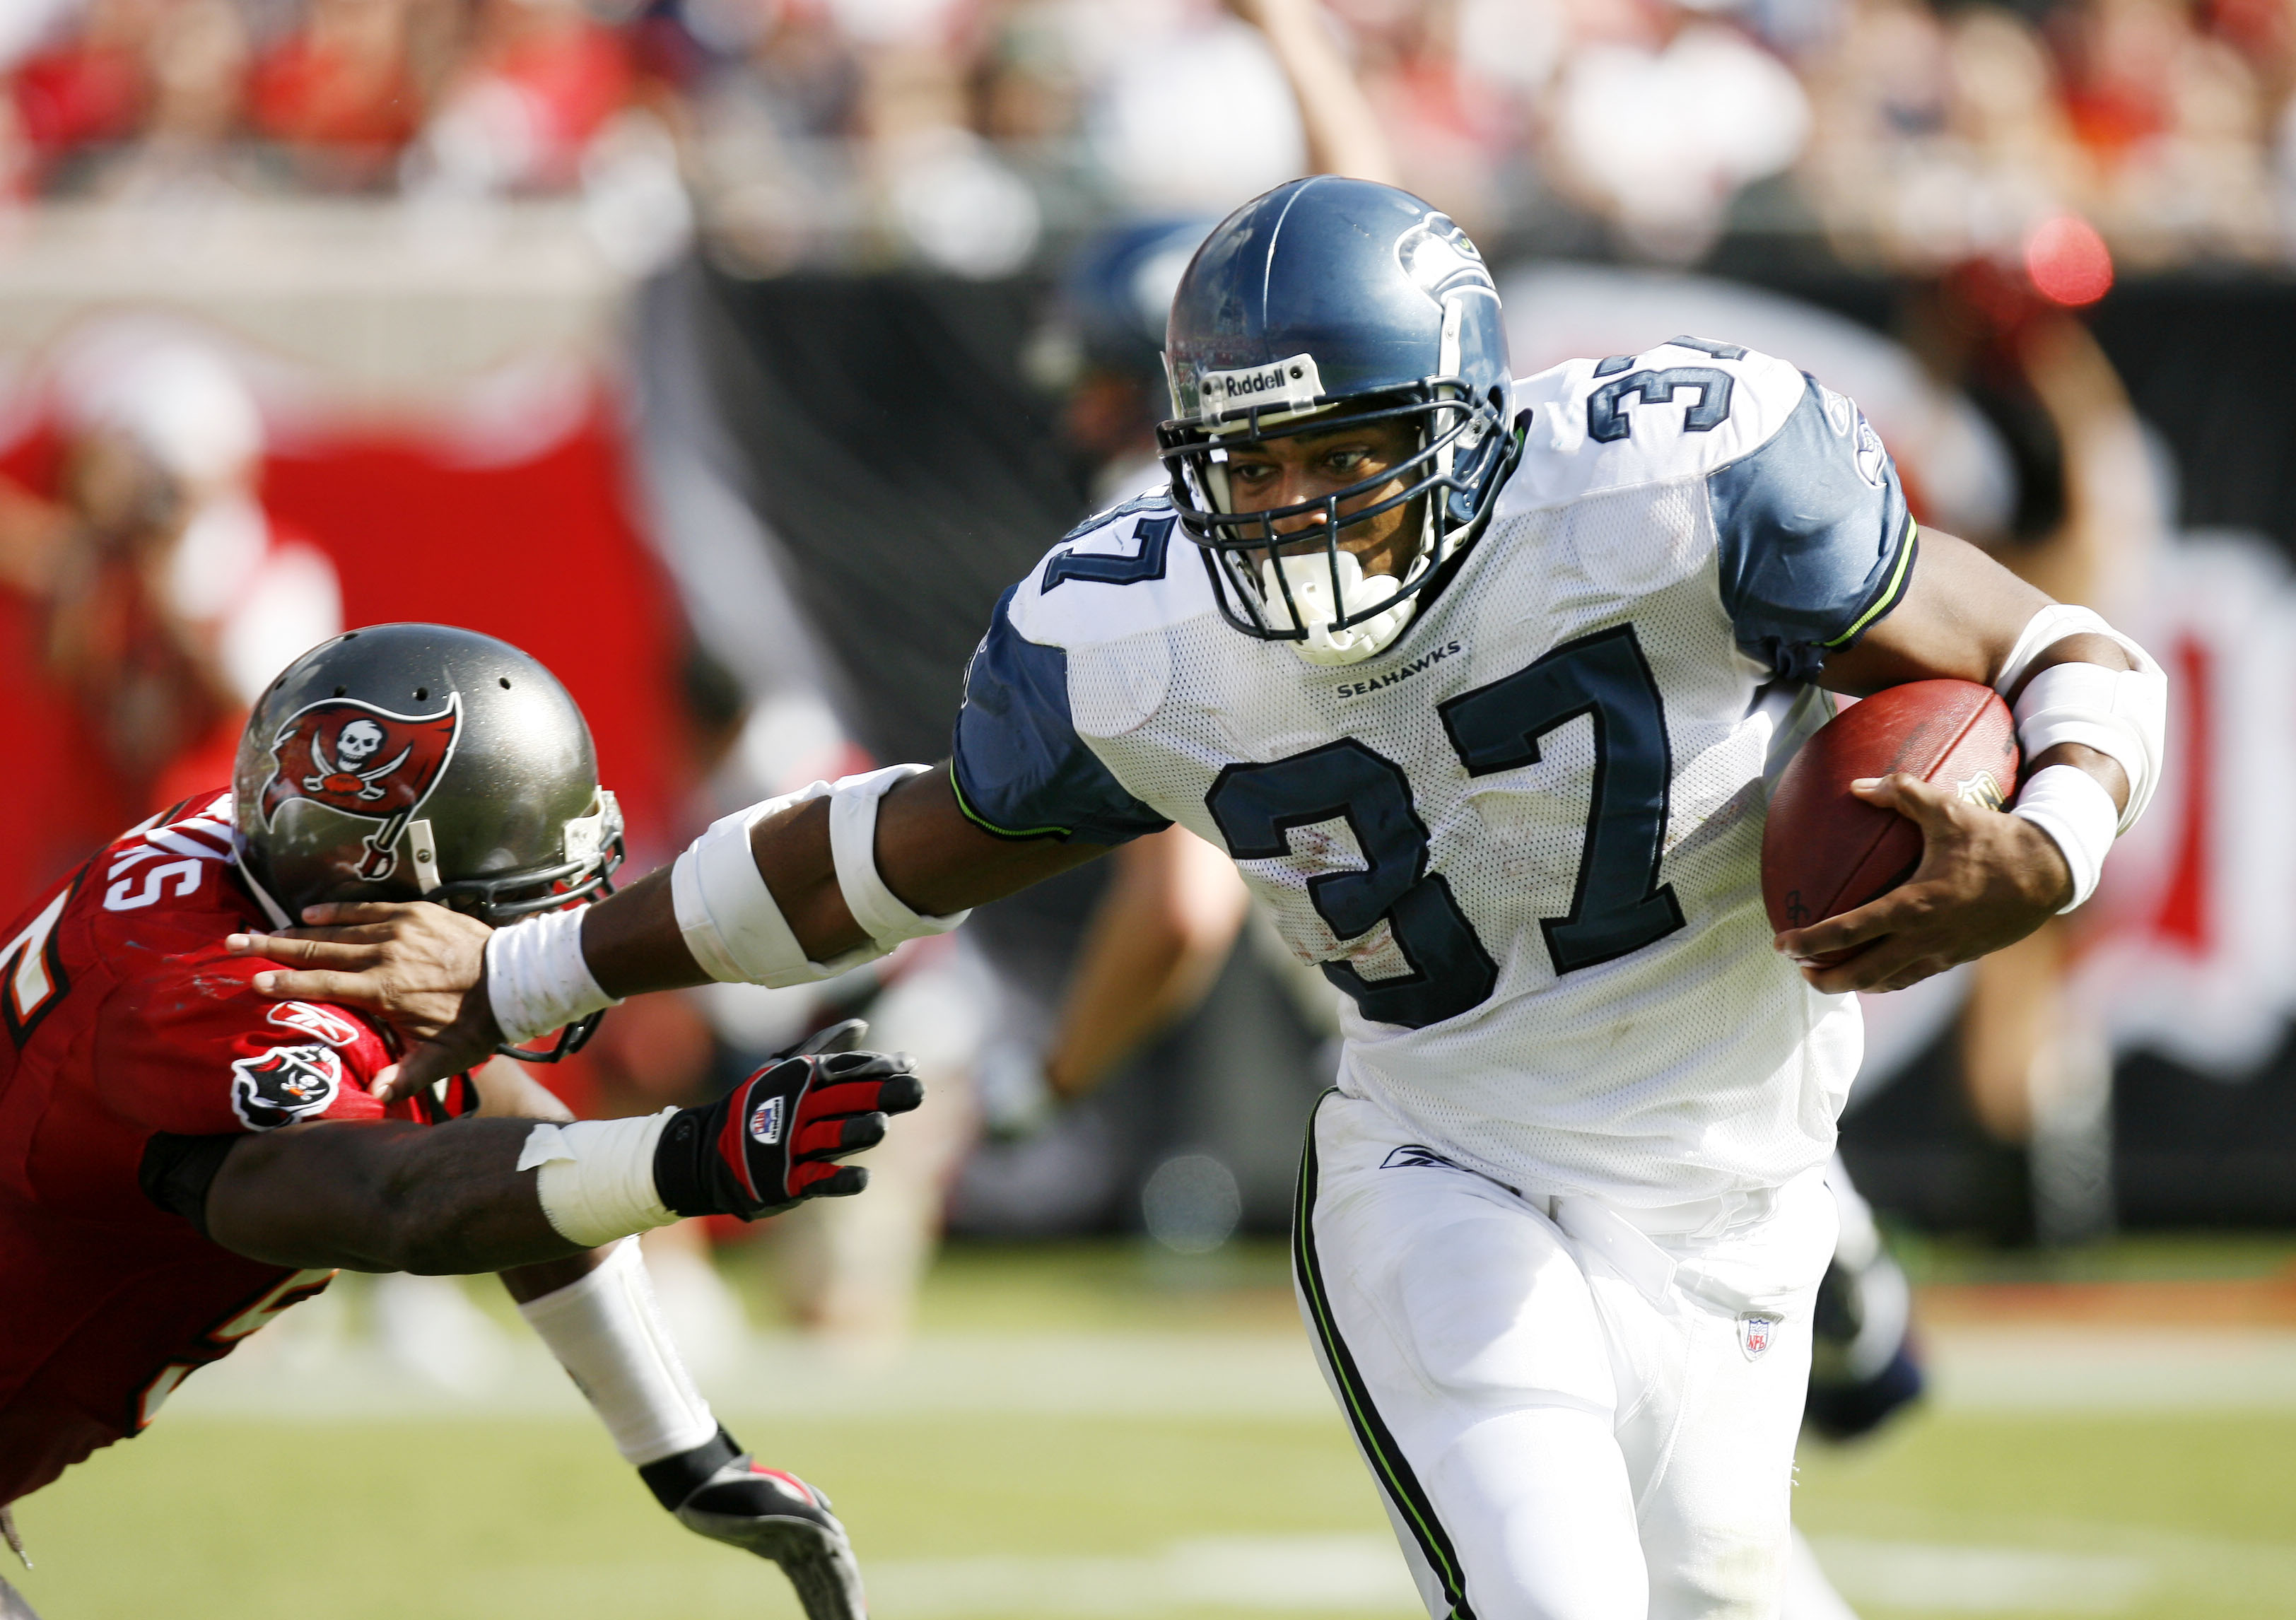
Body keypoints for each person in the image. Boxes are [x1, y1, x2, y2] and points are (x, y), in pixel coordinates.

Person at [234, 182, 2167, 1618]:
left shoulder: (1684, 480)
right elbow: (883, 849)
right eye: (1252, 466)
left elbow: (2066, 645)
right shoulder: (1145, 632)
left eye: (1345, 455)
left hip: (1744, 1168)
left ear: (1477, 425)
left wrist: (2056, 842)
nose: (1298, 516)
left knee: (1738, 1587)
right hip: (1459, 1165)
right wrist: (545, 959)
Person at [0, 623, 924, 1620]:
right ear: (394, 880)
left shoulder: (280, 877)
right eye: (515, 898)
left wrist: (684, 1455)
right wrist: (697, 1160)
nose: (543, 929)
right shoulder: (214, 1005)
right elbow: (397, 1200)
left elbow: (505, 1127)